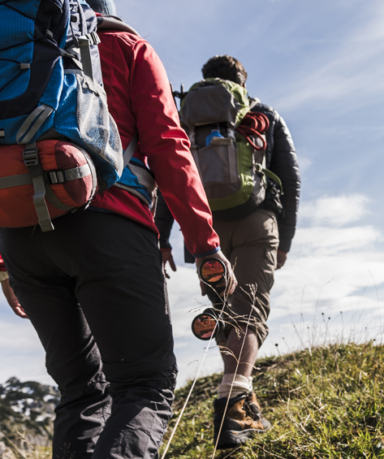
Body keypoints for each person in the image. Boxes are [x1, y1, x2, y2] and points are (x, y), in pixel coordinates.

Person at [0, 5, 237, 458]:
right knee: (144, 387)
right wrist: (205, 243)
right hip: (109, 222)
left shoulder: (13, 45)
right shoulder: (128, 47)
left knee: (80, 393)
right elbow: (169, 146)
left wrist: (4, 266)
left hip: (20, 237)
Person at [156, 55, 300, 449]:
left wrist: (163, 235)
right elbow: (289, 176)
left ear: (205, 81)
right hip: (256, 219)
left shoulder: (187, 117)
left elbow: (173, 172)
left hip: (204, 230)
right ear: (241, 81)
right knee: (249, 308)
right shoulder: (262, 113)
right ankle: (234, 405)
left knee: (225, 311)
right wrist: (284, 237)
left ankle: (237, 395)